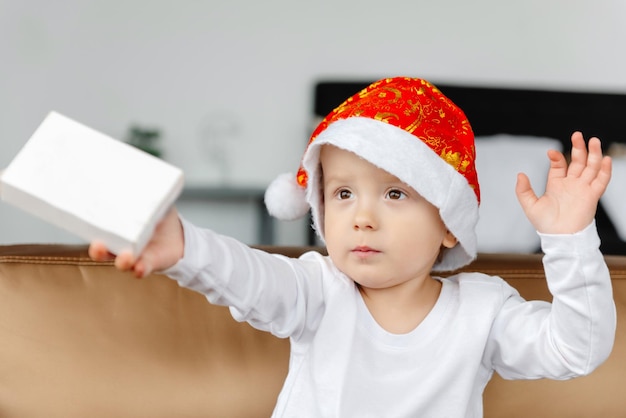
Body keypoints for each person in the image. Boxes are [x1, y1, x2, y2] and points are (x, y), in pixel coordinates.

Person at [89, 77, 616, 417]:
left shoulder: (483, 312)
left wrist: (569, 239)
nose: (362, 217)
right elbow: (247, 277)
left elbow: (577, 348)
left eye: (394, 193)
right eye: (342, 193)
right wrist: (183, 245)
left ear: (449, 224)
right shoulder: (317, 289)